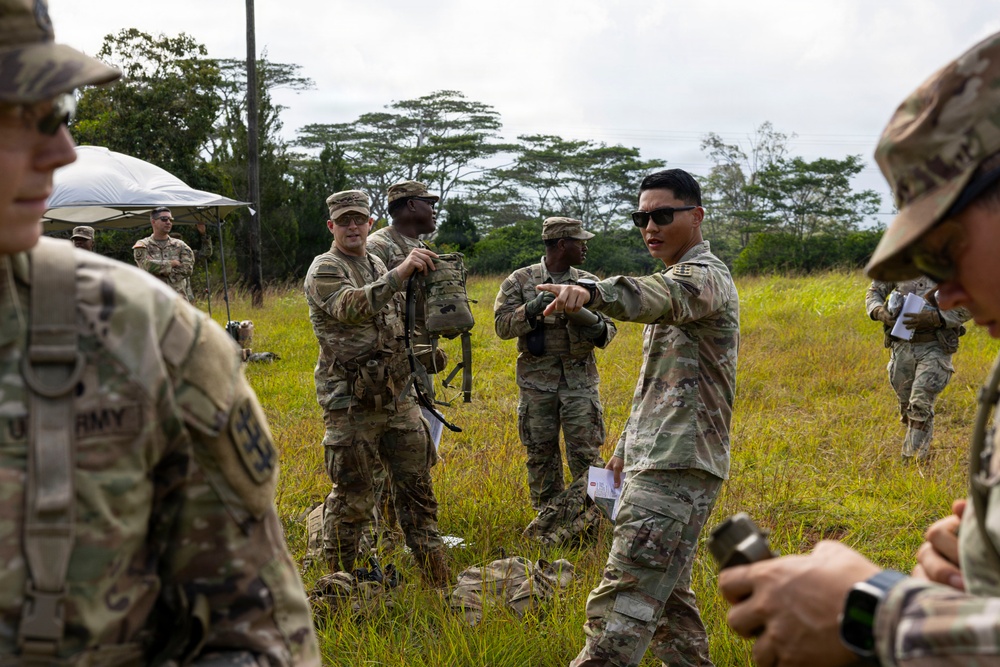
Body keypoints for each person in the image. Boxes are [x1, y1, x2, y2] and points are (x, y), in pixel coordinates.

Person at [0, 1, 320, 664]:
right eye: (17, 116)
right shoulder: (144, 260)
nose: (61, 151)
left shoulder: (144, 333)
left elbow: (252, 625)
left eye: (59, 115)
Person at [718, 31, 1000, 667]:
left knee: (922, 401)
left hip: (927, 354)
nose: (949, 289)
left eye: (947, 247)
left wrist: (884, 616)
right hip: (899, 351)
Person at [538, 169, 740, 667]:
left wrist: (592, 292)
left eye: (662, 215)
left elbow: (654, 295)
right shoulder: (678, 277)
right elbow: (661, 384)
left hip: (677, 465)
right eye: (641, 217)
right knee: (668, 602)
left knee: (620, 609)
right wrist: (625, 450)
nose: (649, 226)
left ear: (696, 216)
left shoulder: (703, 277)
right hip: (659, 458)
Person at [304, 189, 450, 587]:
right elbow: (351, 307)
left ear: (370, 224)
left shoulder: (373, 262)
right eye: (344, 221)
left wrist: (421, 355)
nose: (353, 227)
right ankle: (336, 588)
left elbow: (393, 323)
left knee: (418, 492)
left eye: (359, 220)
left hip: (397, 397)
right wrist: (400, 272)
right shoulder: (326, 268)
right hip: (350, 403)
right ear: (332, 226)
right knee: (352, 498)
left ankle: (439, 584)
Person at [493, 216, 616, 513]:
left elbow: (608, 331)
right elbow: (502, 326)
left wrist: (588, 318)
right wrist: (533, 308)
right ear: (562, 244)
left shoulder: (589, 283)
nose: (585, 247)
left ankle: (601, 519)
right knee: (540, 455)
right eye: (579, 241)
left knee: (588, 458)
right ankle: (547, 523)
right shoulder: (520, 281)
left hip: (580, 385)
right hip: (536, 385)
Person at [364, 179, 444, 546]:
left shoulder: (422, 247)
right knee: (388, 452)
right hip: (390, 366)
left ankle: (407, 523)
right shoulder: (377, 246)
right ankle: (381, 531)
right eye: (429, 202)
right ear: (411, 206)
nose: (434, 209)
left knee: (422, 446)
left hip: (420, 361)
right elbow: (368, 303)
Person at [865, 277, 971, 459]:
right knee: (907, 406)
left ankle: (911, 460)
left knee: (920, 403)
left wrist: (934, 318)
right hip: (901, 346)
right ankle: (921, 451)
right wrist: (879, 312)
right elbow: (875, 292)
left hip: (936, 346)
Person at [133, 206, 212, 302]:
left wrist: (158, 273)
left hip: (178, 300)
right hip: (152, 301)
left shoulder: (181, 246)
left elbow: (187, 269)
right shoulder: (143, 245)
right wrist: (171, 264)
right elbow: (145, 266)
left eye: (170, 219)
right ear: (153, 222)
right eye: (164, 219)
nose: (168, 222)